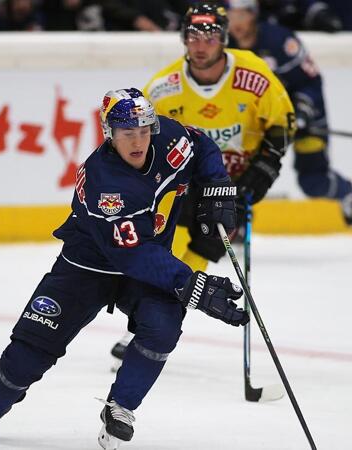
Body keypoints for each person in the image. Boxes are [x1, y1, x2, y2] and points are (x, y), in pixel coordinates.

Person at [0, 88, 249, 449]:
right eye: (126, 133)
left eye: (143, 131)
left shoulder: (168, 136)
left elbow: (200, 143)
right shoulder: (107, 183)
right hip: (87, 266)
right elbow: (130, 254)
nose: (138, 141)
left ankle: (120, 408)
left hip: (145, 262)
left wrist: (217, 186)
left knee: (163, 327)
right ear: (109, 133)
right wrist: (192, 285)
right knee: (34, 343)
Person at [108, 3, 295, 369]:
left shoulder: (253, 73)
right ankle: (145, 317)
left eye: (209, 37)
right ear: (183, 39)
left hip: (238, 181)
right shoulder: (163, 89)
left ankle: (153, 319)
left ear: (224, 39)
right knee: (163, 244)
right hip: (186, 183)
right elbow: (142, 142)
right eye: (193, 36)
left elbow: (282, 122)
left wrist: (266, 166)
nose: (201, 45)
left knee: (209, 240)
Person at [226, 0, 352, 223]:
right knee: (236, 170)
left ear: (253, 15)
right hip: (259, 124)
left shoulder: (281, 41)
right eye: (231, 15)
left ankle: (348, 193)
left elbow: (310, 82)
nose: (235, 22)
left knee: (314, 182)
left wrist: (301, 113)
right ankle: (233, 219)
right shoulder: (226, 47)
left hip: (304, 120)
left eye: (241, 15)